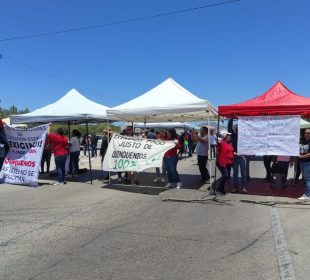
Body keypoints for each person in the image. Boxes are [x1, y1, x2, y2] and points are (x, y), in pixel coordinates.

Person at [228, 119, 247, 193]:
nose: (238, 130)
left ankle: (244, 187)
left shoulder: (245, 137)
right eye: (237, 129)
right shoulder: (234, 136)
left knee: (243, 173)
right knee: (235, 173)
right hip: (235, 156)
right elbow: (229, 128)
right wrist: (231, 118)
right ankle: (235, 187)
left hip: (243, 156)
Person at [216, 130, 234, 195]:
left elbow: (230, 151)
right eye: (227, 135)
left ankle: (222, 189)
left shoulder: (228, 143)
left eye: (229, 135)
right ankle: (220, 189)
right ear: (224, 136)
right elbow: (218, 142)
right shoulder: (221, 143)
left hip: (229, 162)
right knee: (225, 175)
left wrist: (234, 153)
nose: (229, 136)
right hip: (222, 162)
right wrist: (221, 136)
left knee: (227, 176)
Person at [298, 129, 310, 201]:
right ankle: (307, 193)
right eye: (305, 133)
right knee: (306, 179)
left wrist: (302, 157)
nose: (307, 134)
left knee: (308, 179)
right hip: (302, 162)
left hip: (308, 162)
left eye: (308, 133)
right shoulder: (302, 141)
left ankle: (307, 195)